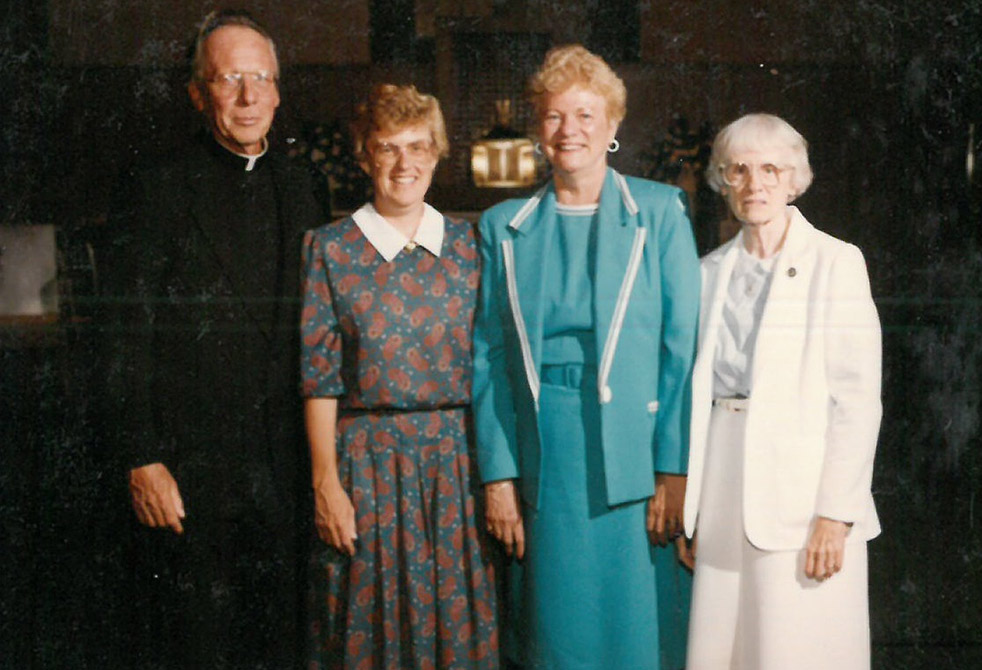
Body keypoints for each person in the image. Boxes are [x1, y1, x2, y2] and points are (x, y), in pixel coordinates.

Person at [472, 44, 700, 670]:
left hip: (634, 451)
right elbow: (489, 357)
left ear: (613, 127)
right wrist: (498, 474)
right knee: (557, 635)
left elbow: (682, 348)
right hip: (548, 456)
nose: (568, 130)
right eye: (552, 116)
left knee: (635, 633)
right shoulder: (503, 226)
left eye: (585, 114)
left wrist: (673, 468)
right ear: (537, 129)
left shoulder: (657, 213)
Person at [114, 10, 326, 668]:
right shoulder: (155, 189)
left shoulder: (305, 187)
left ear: (279, 91)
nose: (247, 95)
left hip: (286, 470)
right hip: (192, 471)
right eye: (229, 78)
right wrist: (141, 457)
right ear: (198, 92)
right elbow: (123, 335)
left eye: (260, 78)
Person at [300, 83, 499, 669]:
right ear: (364, 157)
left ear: (438, 153)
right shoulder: (330, 249)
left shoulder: (472, 245)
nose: (404, 163)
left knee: (457, 626)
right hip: (368, 468)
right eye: (387, 148)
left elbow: (493, 368)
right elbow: (319, 378)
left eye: (418, 147)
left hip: (457, 468)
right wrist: (325, 485)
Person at [680, 113, 882, 669]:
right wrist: (692, 513)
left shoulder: (836, 262)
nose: (755, 183)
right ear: (723, 180)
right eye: (739, 169)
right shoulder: (707, 272)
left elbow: (858, 401)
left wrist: (835, 515)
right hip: (723, 495)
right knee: (726, 652)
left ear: (795, 179)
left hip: (803, 507)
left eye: (771, 169)